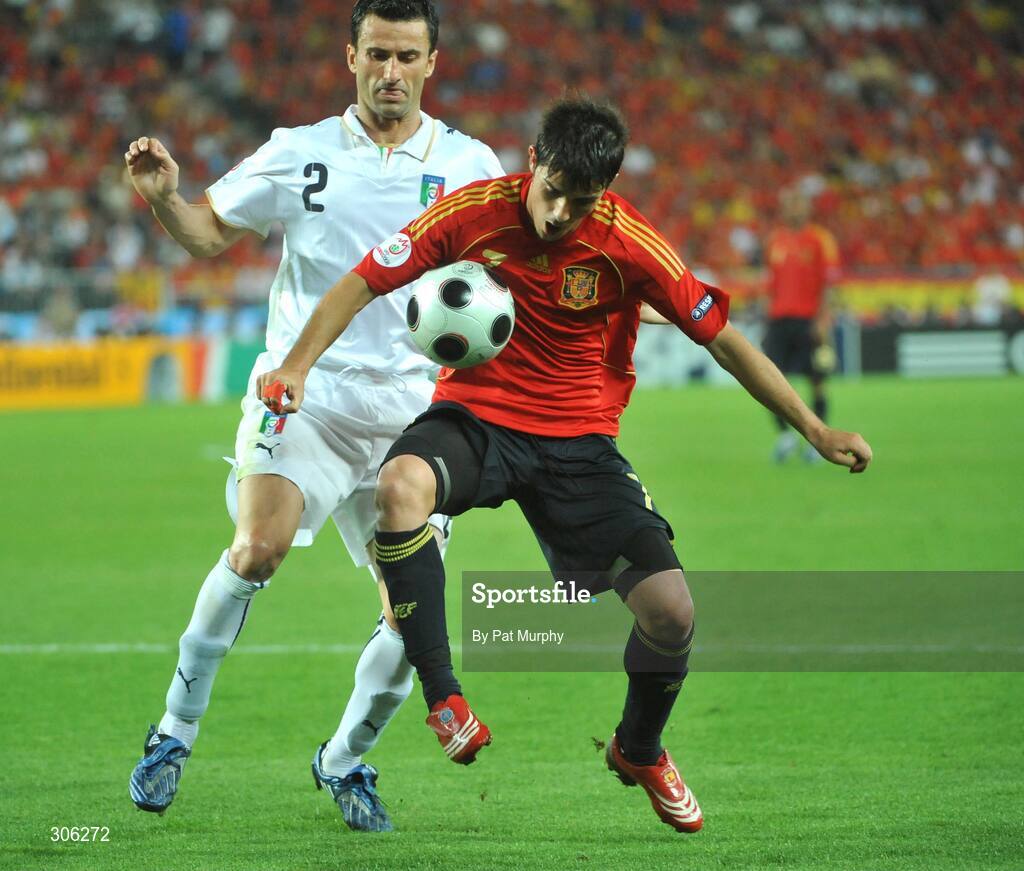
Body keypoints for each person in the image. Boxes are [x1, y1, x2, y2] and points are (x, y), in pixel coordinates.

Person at [257, 97, 872, 833]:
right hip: (478, 418)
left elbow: (722, 337)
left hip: (579, 442)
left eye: (579, 203)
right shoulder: (474, 211)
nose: (556, 215)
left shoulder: (632, 242)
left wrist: (811, 426)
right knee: (400, 485)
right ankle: (444, 697)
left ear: (604, 192)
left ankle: (638, 748)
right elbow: (364, 278)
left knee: (672, 612)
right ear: (532, 160)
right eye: (550, 192)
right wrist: (297, 364)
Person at [124, 0, 503, 832]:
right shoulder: (297, 153)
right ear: (352, 56)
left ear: (433, 63)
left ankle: (344, 760)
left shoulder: (472, 166)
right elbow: (206, 234)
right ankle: (173, 731)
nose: (392, 73)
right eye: (378, 55)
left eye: (408, 56)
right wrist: (164, 201)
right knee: (257, 547)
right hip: (307, 395)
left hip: (413, 418)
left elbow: (517, 280)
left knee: (411, 620)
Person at [763, 189, 841, 463]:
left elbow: (829, 285)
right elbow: (772, 285)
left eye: (798, 203)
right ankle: (785, 437)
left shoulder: (820, 240)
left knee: (816, 380)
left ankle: (818, 441)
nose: (793, 209)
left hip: (809, 321)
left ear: (806, 208)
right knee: (767, 380)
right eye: (789, 203)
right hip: (778, 320)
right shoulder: (775, 240)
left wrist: (824, 319)